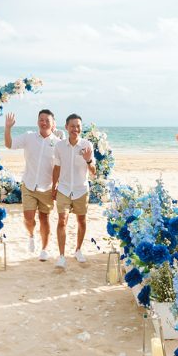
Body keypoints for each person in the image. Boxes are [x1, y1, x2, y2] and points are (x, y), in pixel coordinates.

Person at [4, 110, 60, 260]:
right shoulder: (29, 137)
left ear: (53, 123)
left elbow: (59, 168)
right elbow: (9, 144)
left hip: (47, 188)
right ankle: (31, 235)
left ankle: (44, 249)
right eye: (41, 120)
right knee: (29, 218)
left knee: (44, 219)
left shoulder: (58, 143)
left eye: (47, 120)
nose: (44, 122)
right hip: (29, 184)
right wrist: (8, 128)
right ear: (37, 122)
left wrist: (56, 186)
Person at [51, 114, 96, 269]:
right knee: (62, 220)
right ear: (66, 127)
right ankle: (62, 256)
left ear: (81, 128)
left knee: (81, 221)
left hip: (81, 189)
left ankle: (78, 250)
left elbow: (93, 172)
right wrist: (53, 186)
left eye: (78, 126)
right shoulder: (59, 146)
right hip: (63, 188)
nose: (75, 129)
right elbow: (56, 168)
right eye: (72, 126)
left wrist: (89, 160)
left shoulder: (87, 145)